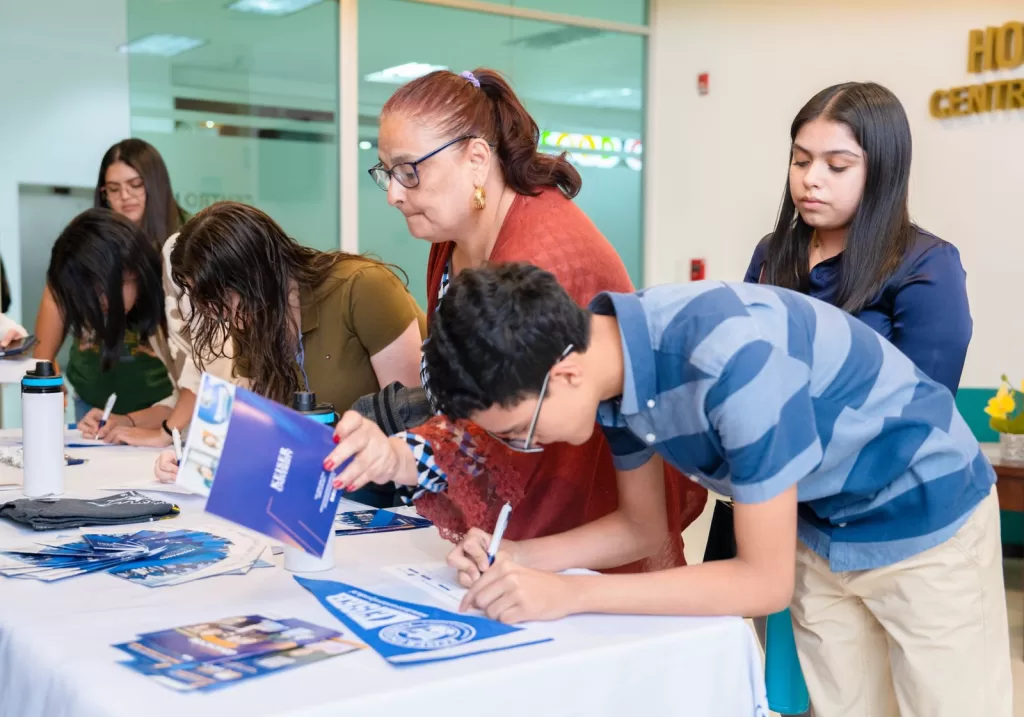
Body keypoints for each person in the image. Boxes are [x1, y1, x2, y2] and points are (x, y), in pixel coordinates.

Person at [351, 263, 1011, 717]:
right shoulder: (614, 368)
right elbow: (641, 527)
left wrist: (573, 592)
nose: (528, 446)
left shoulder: (731, 360)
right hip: (823, 521)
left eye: (521, 430)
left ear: (567, 374)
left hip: (926, 512)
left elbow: (762, 582)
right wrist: (522, 557)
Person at [328, 68, 706, 568]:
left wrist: (403, 455)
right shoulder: (452, 240)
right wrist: (397, 454)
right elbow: (472, 400)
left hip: (584, 520)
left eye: (409, 171)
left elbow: (506, 424)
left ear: (477, 158)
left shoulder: (545, 258)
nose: (394, 193)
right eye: (386, 173)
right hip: (522, 515)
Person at [152, 202, 426, 508]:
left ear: (255, 276)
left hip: (393, 503)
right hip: (318, 500)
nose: (218, 314)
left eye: (221, 298)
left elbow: (416, 423)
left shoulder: (362, 288)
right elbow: (269, 433)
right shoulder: (251, 315)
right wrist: (197, 458)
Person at [745, 82, 971, 395]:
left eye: (837, 166)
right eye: (801, 161)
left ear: (882, 171)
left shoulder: (928, 264)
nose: (810, 179)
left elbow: (923, 409)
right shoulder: (772, 251)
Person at [33, 139, 187, 422]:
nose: (125, 196)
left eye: (135, 185)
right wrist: (43, 371)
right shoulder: (86, 236)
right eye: (113, 189)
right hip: (92, 400)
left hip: (163, 404)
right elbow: (55, 300)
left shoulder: (183, 243)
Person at [47, 209, 182, 438]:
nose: (99, 304)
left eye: (101, 289)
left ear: (130, 268)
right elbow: (183, 397)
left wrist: (162, 434)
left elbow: (207, 393)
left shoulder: (178, 293)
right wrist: (127, 421)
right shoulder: (143, 308)